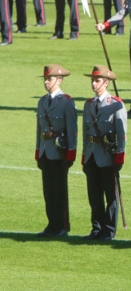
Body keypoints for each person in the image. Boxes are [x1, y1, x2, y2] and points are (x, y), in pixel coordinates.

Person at [81, 65, 128, 241]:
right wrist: (84, 157)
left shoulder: (116, 104)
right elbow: (85, 133)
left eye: (97, 80)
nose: (94, 83)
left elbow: (121, 134)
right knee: (94, 195)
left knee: (110, 195)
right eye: (93, 80)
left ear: (106, 82)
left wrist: (119, 157)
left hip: (108, 156)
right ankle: (97, 228)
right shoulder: (88, 105)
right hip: (92, 154)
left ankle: (109, 230)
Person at [35, 64, 77, 238]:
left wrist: (71, 153)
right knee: (48, 191)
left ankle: (62, 225)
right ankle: (51, 224)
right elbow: (39, 129)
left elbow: (72, 129)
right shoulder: (42, 101)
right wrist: (38, 151)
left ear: (59, 80)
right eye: (45, 79)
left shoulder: (66, 102)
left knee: (60, 191)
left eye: (49, 79)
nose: (46, 82)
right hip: (46, 151)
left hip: (60, 152)